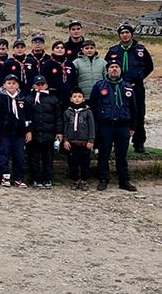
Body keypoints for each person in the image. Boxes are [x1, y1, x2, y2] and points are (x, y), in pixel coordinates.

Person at [90, 61, 137, 192]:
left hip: (123, 125)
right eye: (111, 67)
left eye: (117, 67)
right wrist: (95, 126)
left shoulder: (127, 87)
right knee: (104, 154)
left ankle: (124, 180)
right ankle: (103, 179)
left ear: (120, 70)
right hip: (105, 125)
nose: (114, 69)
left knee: (122, 154)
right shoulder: (99, 86)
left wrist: (132, 126)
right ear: (107, 70)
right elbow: (93, 106)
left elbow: (134, 108)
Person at [106, 23, 153, 153]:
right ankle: (117, 143)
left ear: (131, 34)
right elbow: (107, 66)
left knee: (139, 113)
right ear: (119, 35)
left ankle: (139, 143)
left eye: (127, 32)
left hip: (136, 86)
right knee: (119, 113)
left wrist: (138, 77)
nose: (125, 35)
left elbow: (149, 66)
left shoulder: (140, 50)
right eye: (122, 33)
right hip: (119, 87)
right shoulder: (113, 51)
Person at [0, 74, 33, 188]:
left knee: (19, 156)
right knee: (3, 155)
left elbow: (28, 117)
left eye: (14, 83)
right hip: (4, 133)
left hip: (19, 133)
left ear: (18, 85)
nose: (11, 85)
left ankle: (18, 178)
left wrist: (28, 131)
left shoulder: (23, 100)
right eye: (9, 83)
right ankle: (5, 176)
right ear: (4, 85)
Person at [26, 75, 63, 188]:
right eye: (38, 84)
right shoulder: (29, 99)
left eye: (42, 84)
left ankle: (48, 179)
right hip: (34, 133)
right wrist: (28, 131)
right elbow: (27, 117)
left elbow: (58, 117)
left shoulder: (53, 99)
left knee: (48, 158)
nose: (40, 86)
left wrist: (59, 132)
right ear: (33, 86)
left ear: (46, 85)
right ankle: (36, 179)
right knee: (34, 158)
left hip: (49, 133)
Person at [63, 87, 95, 191]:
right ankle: (75, 179)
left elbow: (92, 127)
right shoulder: (67, 112)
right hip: (71, 142)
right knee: (73, 162)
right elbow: (65, 127)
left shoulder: (88, 112)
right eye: (75, 96)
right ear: (71, 99)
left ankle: (84, 180)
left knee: (85, 162)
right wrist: (65, 140)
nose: (77, 98)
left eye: (79, 96)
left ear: (83, 99)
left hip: (84, 142)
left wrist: (91, 140)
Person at [43, 40, 76, 106]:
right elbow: (44, 80)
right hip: (52, 96)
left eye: (62, 48)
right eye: (57, 48)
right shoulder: (47, 64)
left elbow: (74, 80)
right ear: (53, 50)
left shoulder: (70, 64)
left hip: (68, 95)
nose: (60, 49)